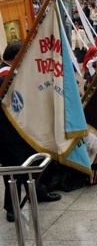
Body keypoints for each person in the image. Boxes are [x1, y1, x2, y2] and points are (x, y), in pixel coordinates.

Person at [0, 42, 61, 223]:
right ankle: (11, 208)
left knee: (34, 163)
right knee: (15, 170)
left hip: (24, 129)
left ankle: (39, 192)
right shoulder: (4, 76)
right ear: (15, 56)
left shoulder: (13, 73)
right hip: (9, 134)